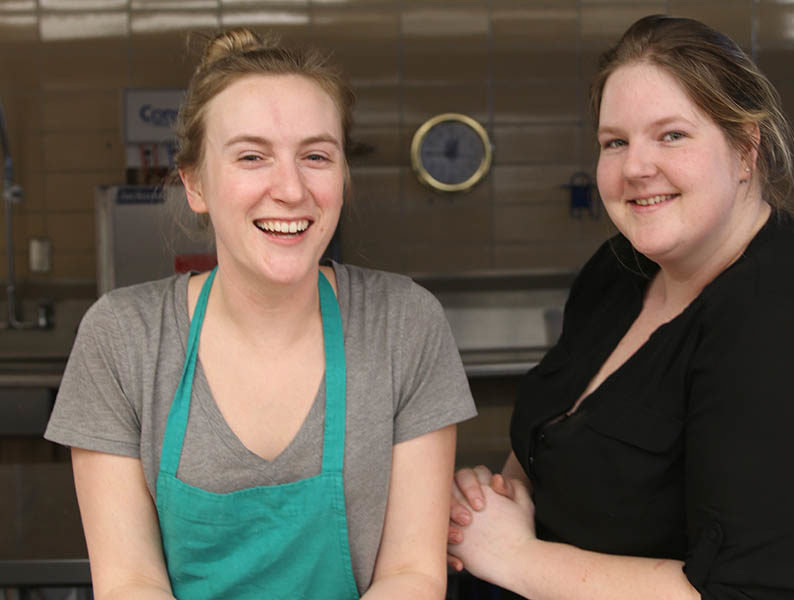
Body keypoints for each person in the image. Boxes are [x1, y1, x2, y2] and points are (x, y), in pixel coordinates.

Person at [447, 14, 794, 600]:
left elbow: (740, 592)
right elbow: (557, 435)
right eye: (614, 142)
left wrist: (512, 555)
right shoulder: (619, 269)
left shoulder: (791, 321)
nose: (635, 167)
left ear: (745, 147)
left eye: (672, 135)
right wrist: (495, 499)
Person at [45, 28, 476, 600]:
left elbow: (411, 575)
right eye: (253, 156)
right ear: (195, 183)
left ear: (342, 176)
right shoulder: (122, 338)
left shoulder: (403, 324)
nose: (291, 189)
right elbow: (129, 582)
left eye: (316, 156)